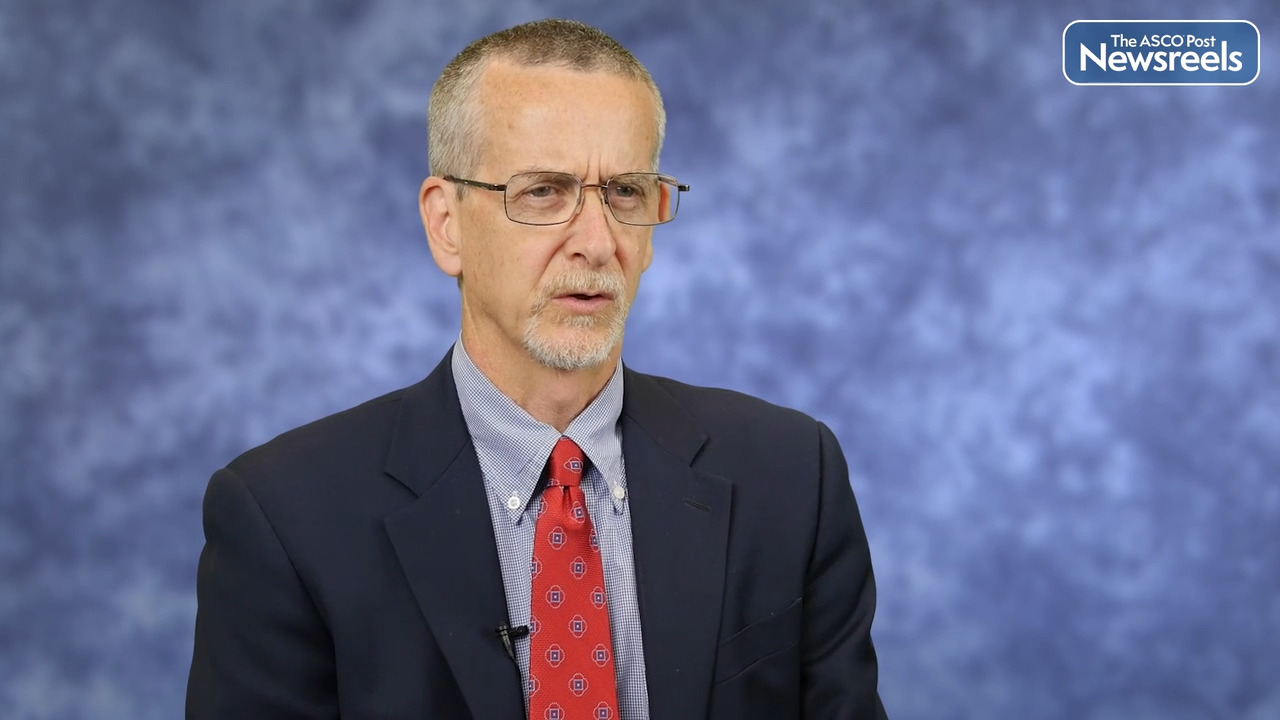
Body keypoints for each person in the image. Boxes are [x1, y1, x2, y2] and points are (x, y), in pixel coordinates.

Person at [186, 18, 888, 720]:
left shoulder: (792, 475)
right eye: (544, 192)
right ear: (446, 224)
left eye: (625, 193)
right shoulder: (284, 518)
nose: (597, 242)